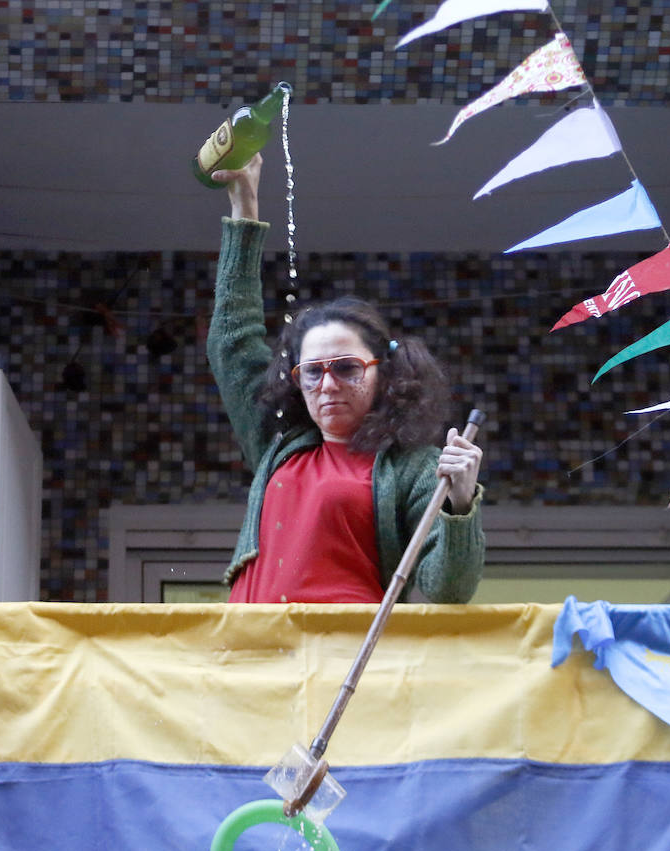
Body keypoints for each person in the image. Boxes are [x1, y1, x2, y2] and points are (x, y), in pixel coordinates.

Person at [207, 154, 485, 604]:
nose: (328, 385)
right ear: (296, 379)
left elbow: (448, 590)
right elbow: (231, 340)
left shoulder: (414, 466)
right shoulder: (276, 443)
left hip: (344, 662)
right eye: (312, 372)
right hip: (254, 658)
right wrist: (244, 207)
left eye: (346, 368)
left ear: (384, 372)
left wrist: (459, 503)